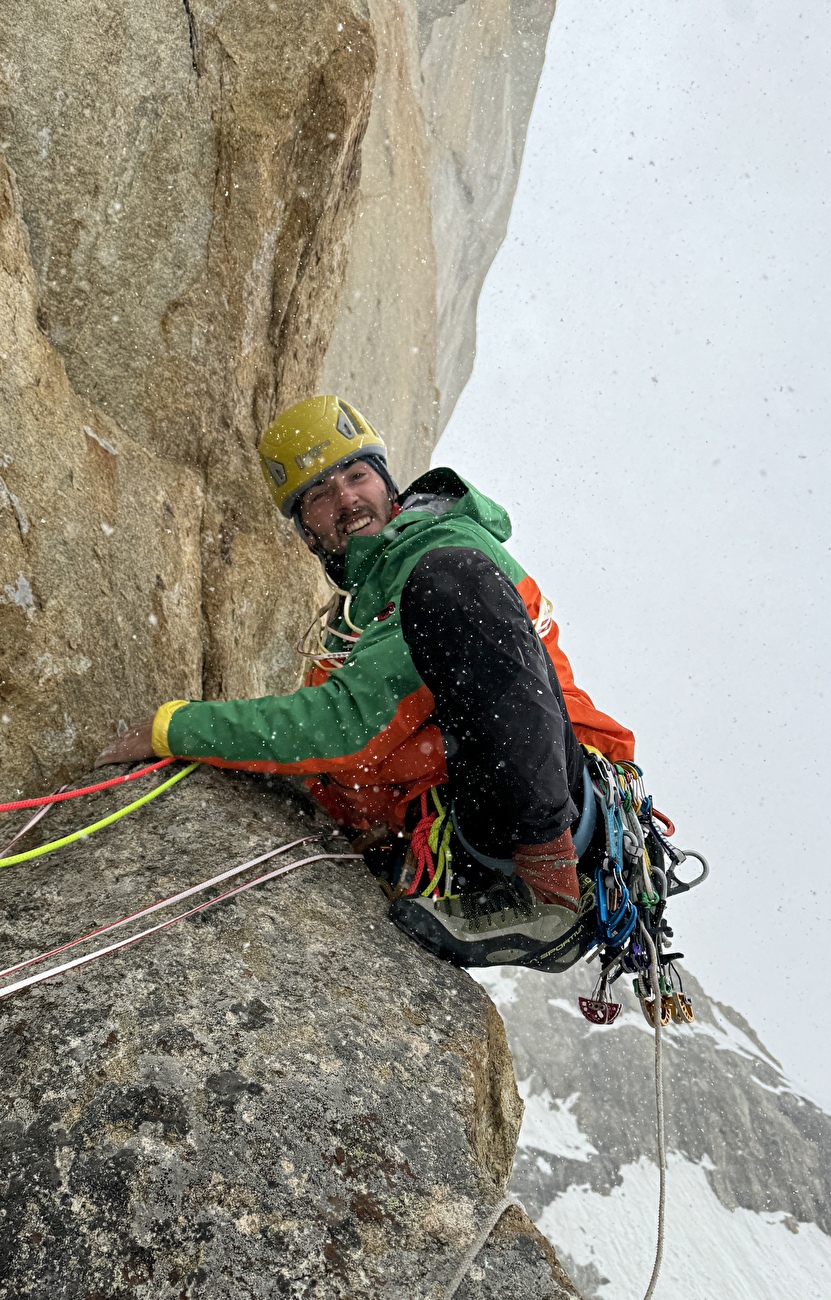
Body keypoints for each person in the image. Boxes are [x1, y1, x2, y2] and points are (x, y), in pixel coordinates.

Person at [97, 395, 634, 971]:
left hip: (547, 811)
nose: (347, 499)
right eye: (321, 495)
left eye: (357, 476)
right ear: (307, 532)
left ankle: (548, 895)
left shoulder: (441, 548)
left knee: (449, 580)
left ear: (388, 484)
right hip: (465, 827)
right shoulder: (347, 627)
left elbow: (344, 725)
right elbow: (345, 758)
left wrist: (171, 728)